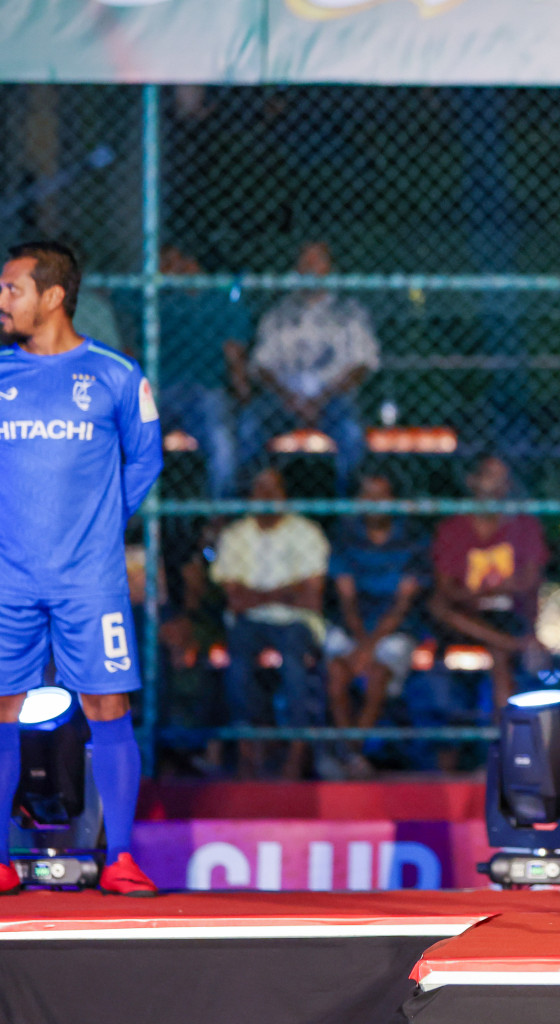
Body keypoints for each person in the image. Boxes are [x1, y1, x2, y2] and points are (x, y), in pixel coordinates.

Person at [0, 241, 163, 896]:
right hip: (7, 576)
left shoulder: (117, 376)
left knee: (107, 705)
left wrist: (96, 529)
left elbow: (145, 461)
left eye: (11, 288)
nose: (1, 300)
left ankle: (119, 858)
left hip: (87, 579)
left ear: (53, 296)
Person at [211, 466, 330, 779]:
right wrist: (287, 591)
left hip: (297, 621)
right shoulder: (235, 534)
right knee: (237, 661)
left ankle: (295, 754)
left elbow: (311, 599)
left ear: (285, 495)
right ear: (250, 496)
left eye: (272, 489)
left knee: (294, 662)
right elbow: (235, 600)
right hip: (248, 621)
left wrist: (257, 595)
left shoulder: (307, 532)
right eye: (259, 489)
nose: (266, 496)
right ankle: (251, 752)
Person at [243, 240, 379, 489]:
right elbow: (261, 366)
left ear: (331, 268)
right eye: (305, 261)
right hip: (283, 399)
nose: (310, 267)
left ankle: (345, 513)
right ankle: (250, 505)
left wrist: (322, 398)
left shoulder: (349, 311)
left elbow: (362, 364)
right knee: (248, 426)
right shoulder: (279, 312)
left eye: (317, 260)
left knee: (351, 433)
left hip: (332, 397)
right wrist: (289, 398)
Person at [323, 472, 429, 779]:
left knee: (379, 674)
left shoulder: (412, 540)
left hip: (394, 628)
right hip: (352, 626)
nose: (375, 504)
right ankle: (352, 756)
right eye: (368, 496)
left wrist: (367, 650)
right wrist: (360, 644)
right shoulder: (345, 536)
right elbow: (347, 601)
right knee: (336, 673)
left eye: (382, 495)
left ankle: (350, 754)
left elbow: (402, 605)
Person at [428, 454, 548, 710]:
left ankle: (505, 739)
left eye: (504, 480)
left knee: (501, 654)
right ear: (472, 481)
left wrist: (482, 590)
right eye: (490, 477)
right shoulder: (453, 528)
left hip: (508, 613)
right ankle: (512, 645)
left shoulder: (524, 526)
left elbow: (529, 581)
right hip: (465, 615)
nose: (498, 486)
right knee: (439, 608)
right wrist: (493, 588)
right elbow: (446, 590)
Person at [158, 243, 249, 498]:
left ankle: (217, 516)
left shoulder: (220, 302)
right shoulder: (160, 301)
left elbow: (234, 353)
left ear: (191, 264)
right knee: (131, 436)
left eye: (173, 262)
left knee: (222, 443)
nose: (167, 269)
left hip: (205, 389)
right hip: (162, 388)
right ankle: (134, 517)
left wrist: (242, 391)